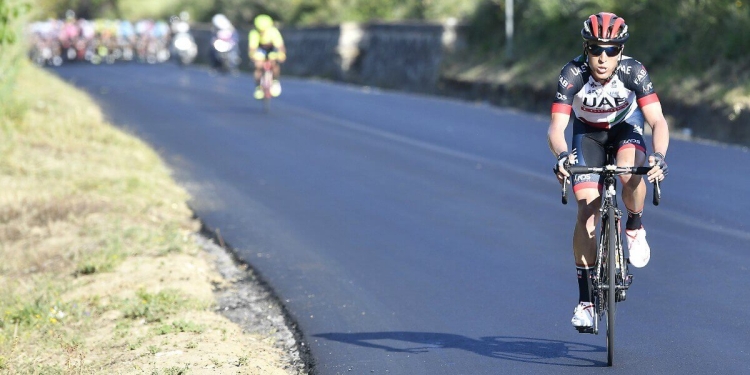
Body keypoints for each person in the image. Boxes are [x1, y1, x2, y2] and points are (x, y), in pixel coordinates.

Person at [546, 12, 670, 330]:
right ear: (586, 49)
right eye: (596, 49)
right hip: (586, 135)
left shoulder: (633, 71)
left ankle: (634, 225)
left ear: (621, 51)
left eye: (611, 50)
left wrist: (658, 156)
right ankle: (586, 301)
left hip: (625, 128)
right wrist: (562, 156)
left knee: (631, 171)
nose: (603, 58)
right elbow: (557, 127)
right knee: (587, 208)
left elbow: (657, 121)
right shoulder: (571, 73)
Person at [248, 14, 286, 99]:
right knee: (258, 65)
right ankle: (258, 87)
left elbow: (280, 46)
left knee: (274, 63)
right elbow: (252, 47)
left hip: (272, 49)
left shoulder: (274, 32)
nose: (262, 32)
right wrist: (252, 55)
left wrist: (281, 54)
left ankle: (275, 81)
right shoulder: (254, 33)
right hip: (260, 49)